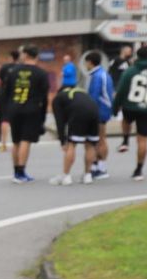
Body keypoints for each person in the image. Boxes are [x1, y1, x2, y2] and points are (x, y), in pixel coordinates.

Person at [113, 44, 147, 181]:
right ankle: (139, 170)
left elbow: (121, 91)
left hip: (130, 105)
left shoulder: (131, 71)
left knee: (126, 120)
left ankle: (125, 140)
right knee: (143, 139)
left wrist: (115, 107)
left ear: (138, 56)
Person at [50, 54, 101, 185]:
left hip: (79, 113)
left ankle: (66, 176)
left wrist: (63, 140)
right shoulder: (79, 91)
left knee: (72, 144)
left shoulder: (58, 99)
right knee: (90, 144)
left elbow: (60, 122)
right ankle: (88, 175)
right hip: (94, 110)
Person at [4, 45, 51, 184]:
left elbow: (6, 92)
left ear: (25, 55)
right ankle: (21, 171)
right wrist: (43, 117)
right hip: (31, 110)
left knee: (16, 141)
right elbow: (44, 97)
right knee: (26, 140)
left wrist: (7, 111)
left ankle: (15, 172)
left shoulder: (13, 71)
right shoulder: (41, 74)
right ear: (36, 56)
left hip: (14, 108)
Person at [85, 49, 116, 180]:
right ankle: (97, 165)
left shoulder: (97, 76)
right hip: (104, 110)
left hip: (99, 111)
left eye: (86, 62)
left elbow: (94, 95)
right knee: (99, 139)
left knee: (99, 139)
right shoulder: (103, 74)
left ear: (90, 62)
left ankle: (101, 169)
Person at [103, 45, 132, 163]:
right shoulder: (116, 60)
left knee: (124, 113)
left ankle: (125, 138)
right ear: (123, 51)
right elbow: (110, 74)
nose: (130, 52)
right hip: (117, 88)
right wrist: (113, 89)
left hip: (127, 90)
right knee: (116, 108)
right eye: (128, 50)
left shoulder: (130, 63)